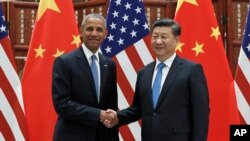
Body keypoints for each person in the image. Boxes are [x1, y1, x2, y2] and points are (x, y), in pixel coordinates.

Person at [105, 18, 210, 141]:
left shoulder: (191, 70)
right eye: (155, 37)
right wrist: (117, 116)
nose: (158, 41)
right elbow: (138, 108)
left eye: (164, 37)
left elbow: (200, 114)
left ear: (177, 40)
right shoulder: (144, 72)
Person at [52, 13, 119, 141]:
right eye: (89, 29)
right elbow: (62, 104)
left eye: (99, 30)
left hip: (102, 136)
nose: (94, 33)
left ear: (105, 33)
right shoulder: (64, 62)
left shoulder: (109, 64)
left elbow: (111, 105)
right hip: (72, 136)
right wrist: (98, 114)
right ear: (81, 31)